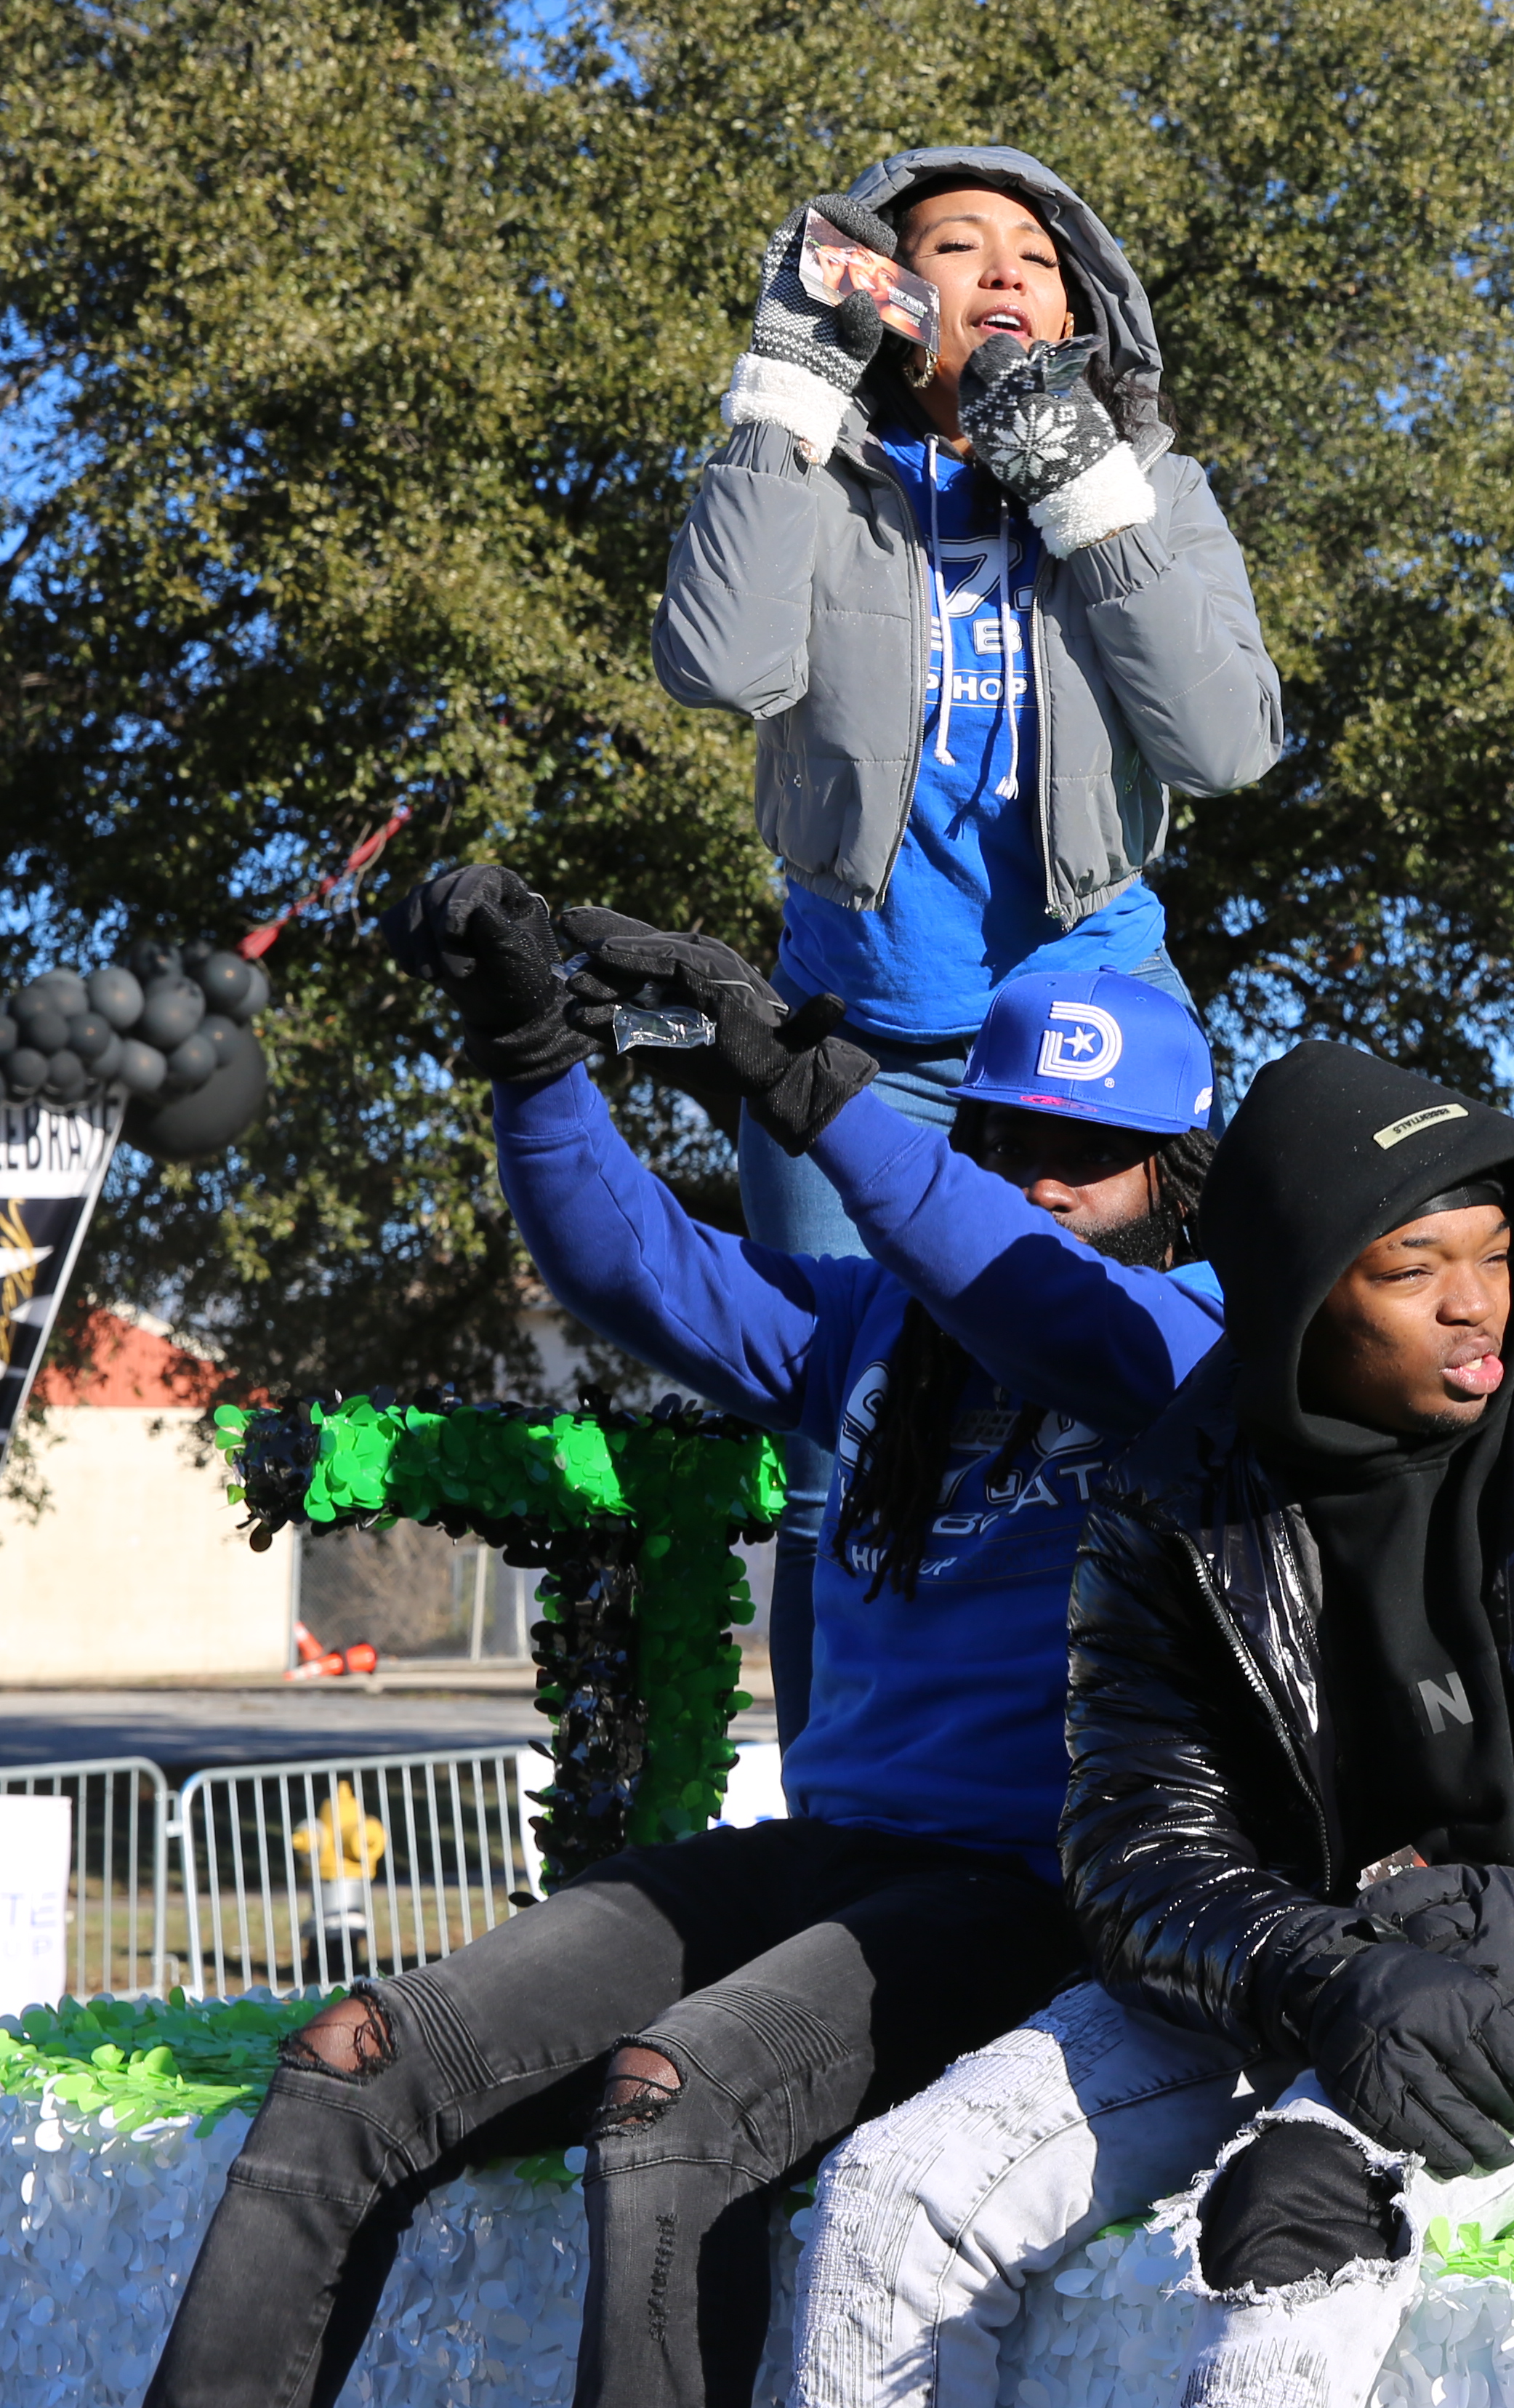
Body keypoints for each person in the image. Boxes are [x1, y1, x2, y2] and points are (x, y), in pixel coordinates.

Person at [144, 869, 1224, 2408]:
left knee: (670, 2100)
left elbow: (1026, 1292)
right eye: (1010, 1143)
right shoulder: (875, 1330)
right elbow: (625, 1261)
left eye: (1094, 1160)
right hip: (824, 1853)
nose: (1046, 1184)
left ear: (1174, 1180)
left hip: (1032, 1901)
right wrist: (534, 1057)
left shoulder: (1198, 1347)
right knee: (350, 2065)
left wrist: (808, 1091)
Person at [786, 1045, 1514, 2405]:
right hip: (1316, 1961)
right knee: (893, 2189)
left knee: (1305, 2208)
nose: (1474, 1308)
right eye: (1411, 1270)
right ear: (1301, 1288)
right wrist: (1322, 1973)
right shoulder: (1172, 1495)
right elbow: (1136, 1841)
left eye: (1496, 1256)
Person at [657, 144, 1285, 1264]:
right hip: (854, 1044)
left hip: (1097, 1024)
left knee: (1124, 1398)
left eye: (1037, 259)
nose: (1004, 272)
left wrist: (1084, 492)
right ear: (890, 303)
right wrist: (785, 398)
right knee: (841, 1404)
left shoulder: (1161, 491)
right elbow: (719, 666)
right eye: (956, 248)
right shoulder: (813, 486)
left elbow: (1226, 746)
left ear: (1075, 311)